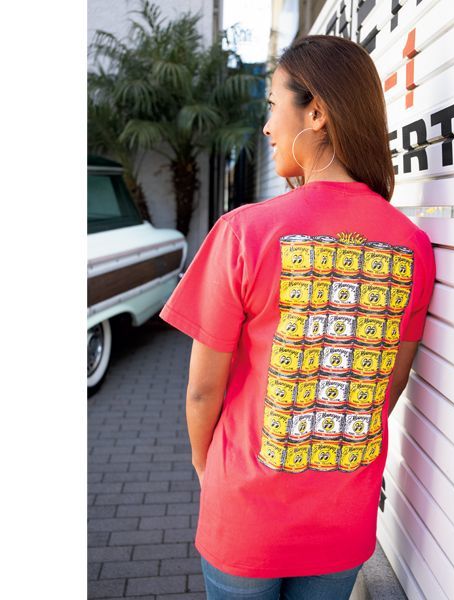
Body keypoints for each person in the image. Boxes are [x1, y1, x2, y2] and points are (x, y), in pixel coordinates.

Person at [159, 34, 436, 600]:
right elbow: (388, 383)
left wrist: (209, 471)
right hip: (343, 514)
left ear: (316, 113)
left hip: (247, 513)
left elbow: (202, 392)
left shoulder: (245, 232)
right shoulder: (411, 245)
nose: (267, 127)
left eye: (271, 106)